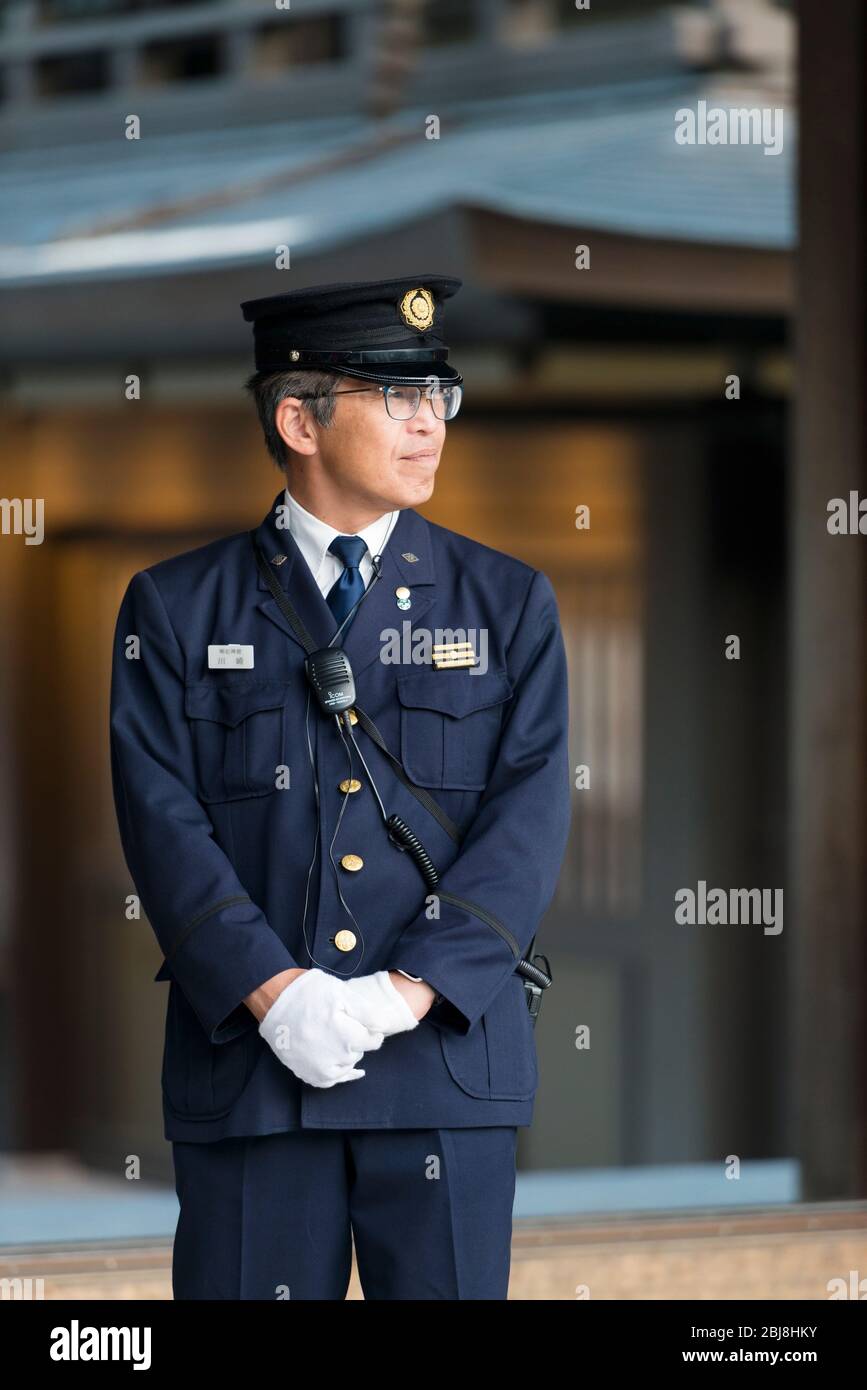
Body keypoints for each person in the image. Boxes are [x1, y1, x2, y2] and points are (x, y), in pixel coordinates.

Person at [109, 274, 572, 1300]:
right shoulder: (179, 608)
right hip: (256, 1071)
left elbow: (530, 819)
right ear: (297, 419)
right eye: (394, 396)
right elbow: (162, 820)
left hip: (441, 1066)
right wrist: (279, 998)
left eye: (438, 396)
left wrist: (401, 995)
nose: (428, 423)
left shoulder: (506, 602)